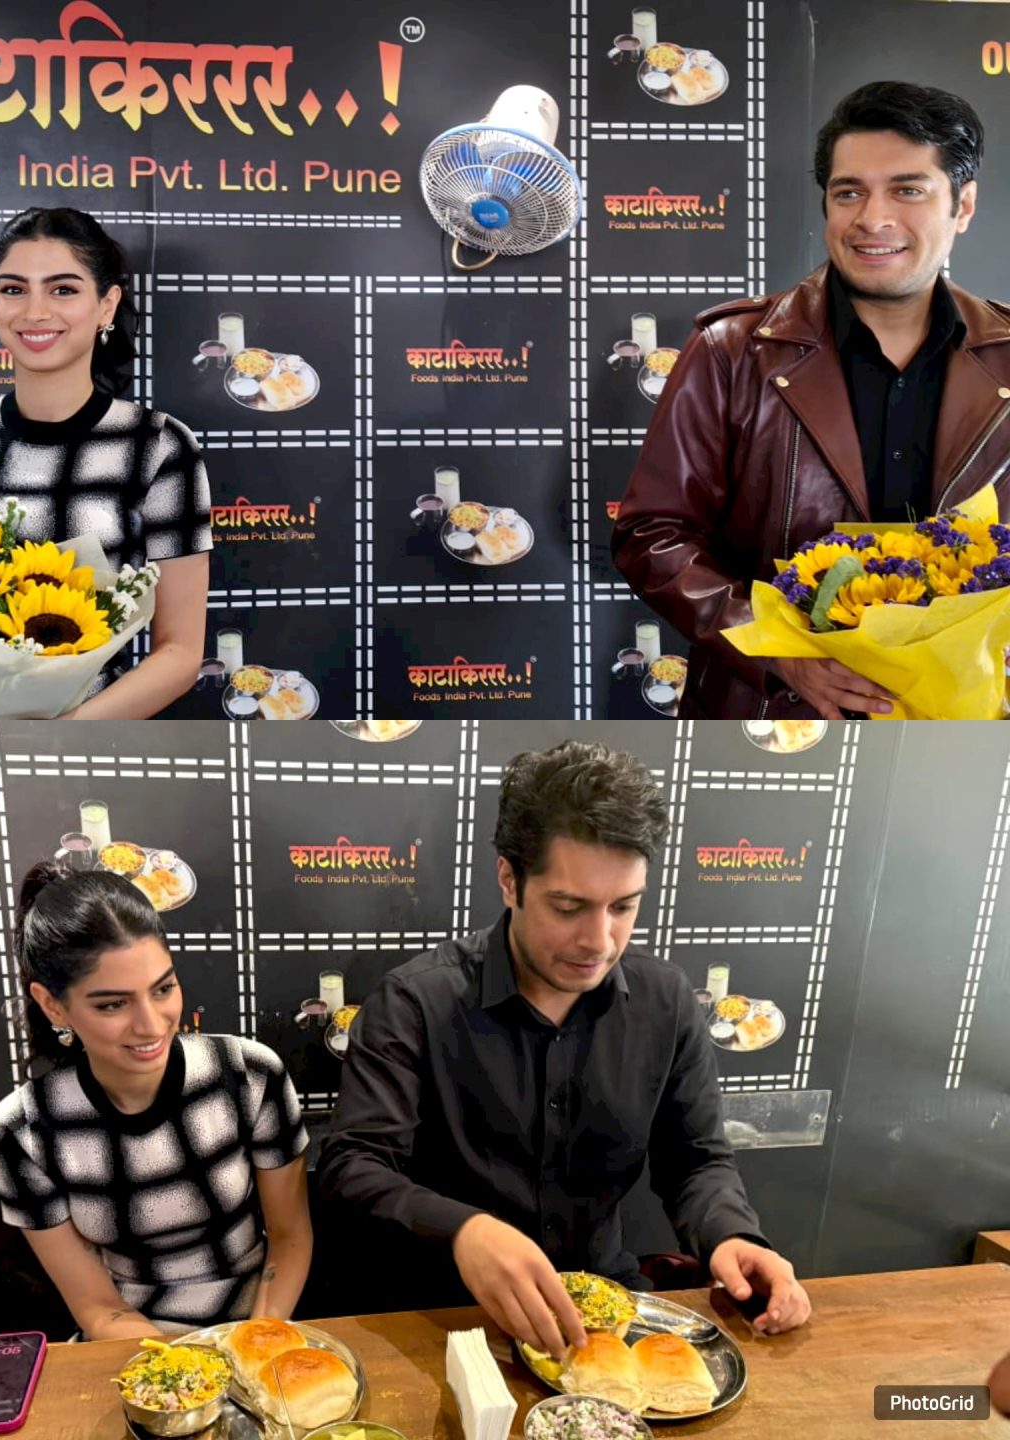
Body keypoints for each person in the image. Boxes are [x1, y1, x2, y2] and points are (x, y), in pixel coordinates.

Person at [315, 742, 812, 1365]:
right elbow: (351, 1169)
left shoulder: (666, 1003)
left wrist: (732, 1236)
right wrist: (464, 1229)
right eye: (569, 907)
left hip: (603, 1321)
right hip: (447, 1321)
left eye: (624, 907)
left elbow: (696, 1160)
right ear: (509, 880)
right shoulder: (415, 1002)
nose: (599, 941)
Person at [617, 81, 1008, 719]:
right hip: (776, 714)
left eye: (908, 190)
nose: (872, 219)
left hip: (969, 720)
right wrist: (776, 649)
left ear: (962, 205)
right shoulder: (732, 349)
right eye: (848, 191)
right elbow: (652, 535)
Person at [0, 206, 211, 718]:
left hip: (92, 740)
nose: (34, 312)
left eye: (63, 289)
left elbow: (181, 652)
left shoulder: (159, 446)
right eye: (14, 289)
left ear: (107, 305)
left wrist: (64, 734)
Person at [0, 863, 312, 1337]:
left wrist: (251, 1347)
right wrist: (186, 1378)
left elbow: (290, 1239)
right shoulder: (22, 1132)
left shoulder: (249, 1074)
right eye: (112, 1004)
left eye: (163, 989)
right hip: (131, 1348)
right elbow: (97, 1307)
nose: (152, 1025)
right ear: (52, 1004)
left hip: (258, 1324)